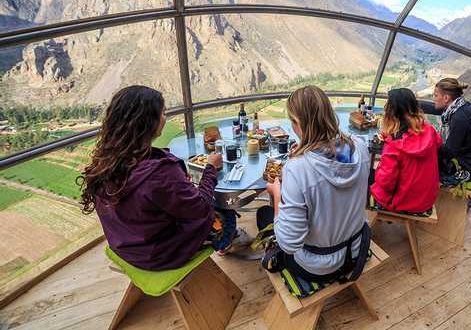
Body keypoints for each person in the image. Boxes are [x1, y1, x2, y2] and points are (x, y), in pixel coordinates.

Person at [78, 85, 227, 270]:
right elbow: (201, 208)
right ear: (148, 121)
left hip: (126, 248)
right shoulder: (160, 172)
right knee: (224, 213)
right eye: (163, 113)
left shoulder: (107, 160)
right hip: (162, 255)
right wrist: (211, 168)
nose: (166, 118)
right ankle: (225, 243)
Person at [261, 85, 371, 285]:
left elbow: (289, 244)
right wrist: (305, 151)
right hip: (355, 249)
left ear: (298, 124)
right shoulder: (360, 147)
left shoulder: (297, 169)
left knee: (264, 216)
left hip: (318, 266)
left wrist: (277, 195)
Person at [370, 88, 441, 214]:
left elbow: (386, 182)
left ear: (391, 113)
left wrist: (379, 168)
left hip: (402, 202)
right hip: (426, 199)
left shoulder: (393, 145)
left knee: (368, 175)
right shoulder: (430, 131)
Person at [434, 78, 471, 190]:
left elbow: (449, 151)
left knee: (424, 164)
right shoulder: (460, 107)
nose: (434, 99)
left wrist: (429, 144)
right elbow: (436, 108)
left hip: (470, 166)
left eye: (435, 95)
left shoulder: (460, 118)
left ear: (446, 98)